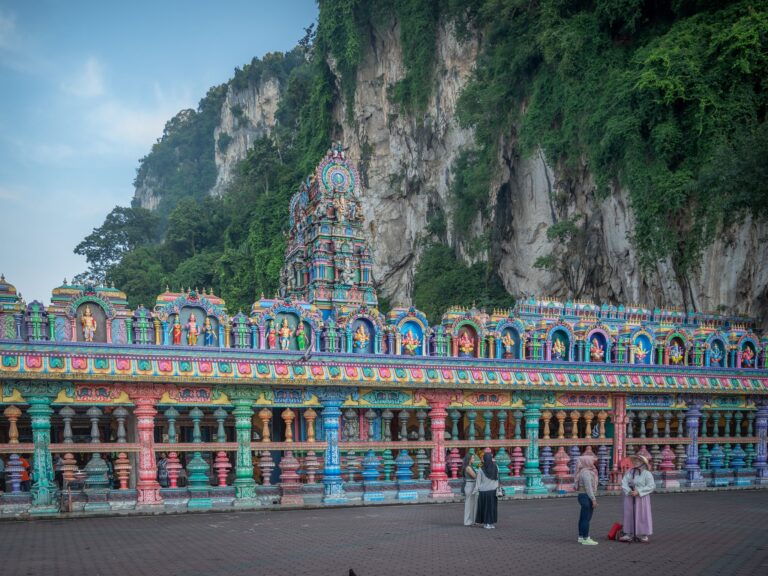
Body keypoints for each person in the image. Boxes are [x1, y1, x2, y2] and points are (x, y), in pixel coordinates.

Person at [620, 454, 655, 543]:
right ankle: (628, 533)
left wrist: (639, 491)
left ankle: (644, 534)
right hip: (630, 496)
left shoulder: (647, 473)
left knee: (643, 515)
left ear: (643, 463)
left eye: (638, 461)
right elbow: (624, 482)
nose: (635, 462)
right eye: (635, 461)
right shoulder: (630, 472)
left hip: (642, 498)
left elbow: (651, 486)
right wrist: (629, 491)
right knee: (629, 514)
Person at [573, 454, 599, 545]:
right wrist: (593, 499)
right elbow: (588, 488)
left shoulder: (584, 471)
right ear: (587, 462)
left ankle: (581, 537)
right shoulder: (586, 473)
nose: (593, 463)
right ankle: (586, 538)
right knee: (586, 518)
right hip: (585, 496)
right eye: (592, 461)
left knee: (583, 517)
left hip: (583, 495)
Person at [473, 452, 499, 529]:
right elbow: (497, 478)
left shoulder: (481, 469)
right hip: (493, 491)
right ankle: (491, 523)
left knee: (484, 508)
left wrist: (475, 490)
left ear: (484, 459)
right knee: (492, 508)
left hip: (483, 492)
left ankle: (486, 523)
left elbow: (478, 481)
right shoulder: (496, 467)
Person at [462, 452, 478, 526]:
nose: (474, 459)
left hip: (471, 485)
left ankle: (471, 520)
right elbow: (474, 476)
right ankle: (467, 521)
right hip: (470, 485)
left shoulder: (470, 466)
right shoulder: (468, 467)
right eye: (473, 458)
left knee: (472, 504)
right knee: (469, 504)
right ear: (469, 459)